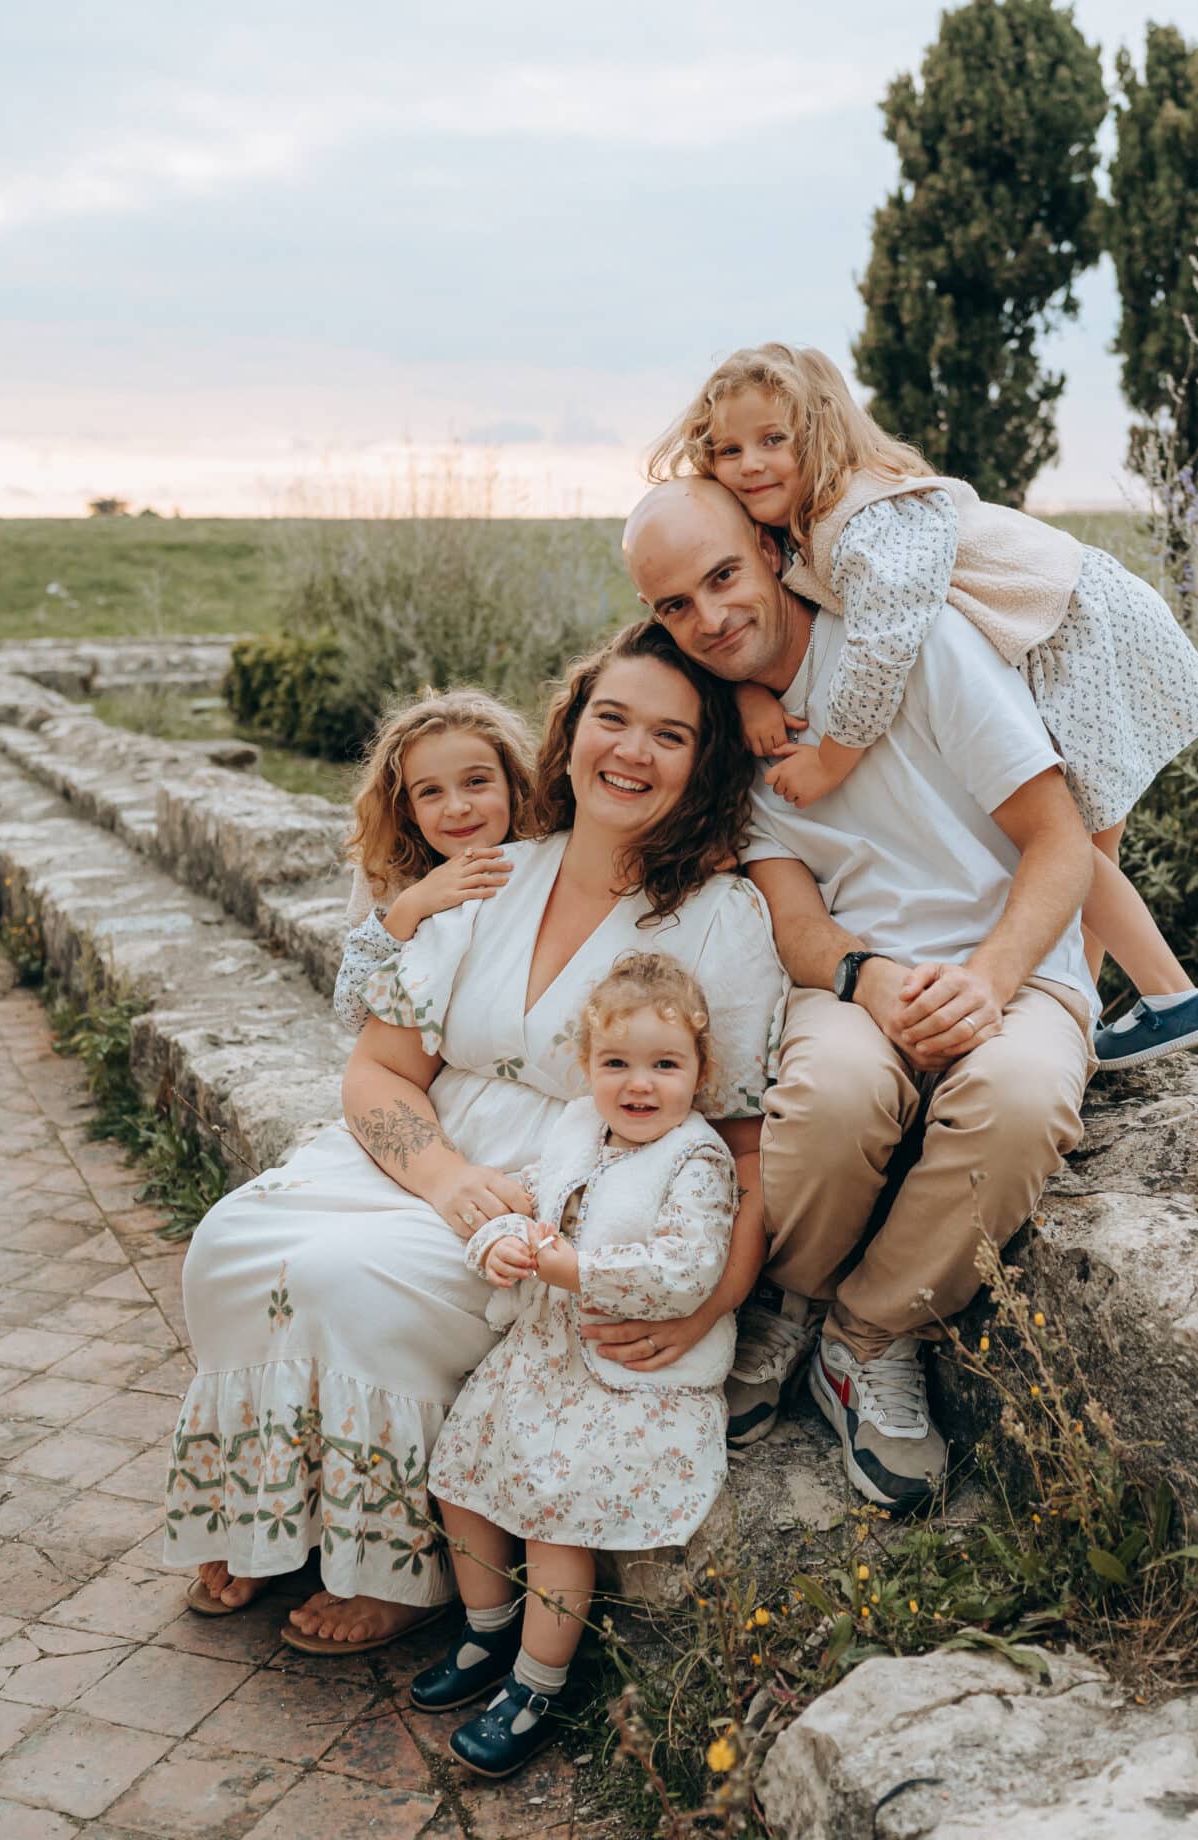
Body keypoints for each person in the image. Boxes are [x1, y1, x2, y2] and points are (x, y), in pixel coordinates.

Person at [164, 621, 785, 1651]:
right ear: (570, 729)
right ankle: (264, 1512)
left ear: (702, 764)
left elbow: (746, 1146)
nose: (631, 750)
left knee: (345, 1277)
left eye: (669, 735)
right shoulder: (493, 873)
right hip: (423, 1149)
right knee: (230, 1242)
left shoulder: (719, 918)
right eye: (612, 717)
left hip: (560, 1188)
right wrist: (443, 1173)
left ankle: (404, 1566)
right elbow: (378, 1065)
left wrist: (711, 1297)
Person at [623, 479, 1096, 1509]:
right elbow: (792, 921)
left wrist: (990, 979)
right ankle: (788, 1296)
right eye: (674, 605)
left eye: (722, 577)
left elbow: (1060, 844)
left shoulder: (911, 647)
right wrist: (865, 977)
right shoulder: (726, 737)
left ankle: (864, 1335)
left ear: (767, 545)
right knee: (830, 1091)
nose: (708, 619)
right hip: (852, 973)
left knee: (1015, 1100)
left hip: (1010, 958)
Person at [647, 343, 1198, 1070]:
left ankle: (1165, 1000)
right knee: (1072, 838)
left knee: (1064, 836)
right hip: (1050, 628)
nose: (750, 463)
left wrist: (832, 758)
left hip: (1072, 631)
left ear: (821, 431)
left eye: (772, 440)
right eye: (727, 450)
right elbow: (770, 632)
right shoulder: (806, 528)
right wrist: (745, 690)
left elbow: (882, 643)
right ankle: (1103, 1007)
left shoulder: (858, 519)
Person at [415, 952, 735, 1779]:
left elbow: (685, 1272)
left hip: (626, 1377)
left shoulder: (695, 1162)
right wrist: (497, 1243)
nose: (639, 1085)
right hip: (540, 1359)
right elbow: (526, 1196)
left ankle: (535, 1684)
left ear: (699, 1075)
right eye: (615, 1063)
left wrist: (573, 1269)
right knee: (459, 1475)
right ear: (586, 1067)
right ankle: (487, 1630)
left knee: (553, 1517)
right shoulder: (572, 1128)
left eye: (665, 1065)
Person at [333, 688, 536, 1032]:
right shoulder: (393, 877)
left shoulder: (545, 865)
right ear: (407, 808)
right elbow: (353, 1012)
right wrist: (411, 906)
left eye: (476, 782)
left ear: (512, 783)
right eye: (431, 791)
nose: (457, 807)